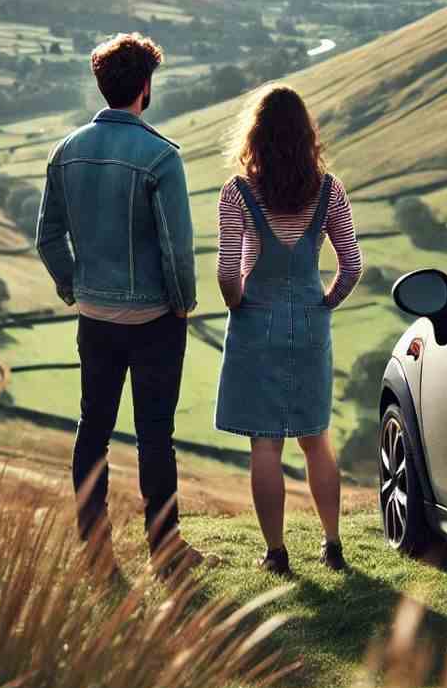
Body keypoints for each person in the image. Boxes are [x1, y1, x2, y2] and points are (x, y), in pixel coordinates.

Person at [36, 32, 202, 580]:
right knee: (155, 433)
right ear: (146, 87)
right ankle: (165, 551)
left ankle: (95, 548)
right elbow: (178, 249)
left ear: (103, 85)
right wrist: (183, 306)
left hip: (95, 320)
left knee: (93, 428)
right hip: (155, 319)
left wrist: (73, 286)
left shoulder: (66, 151)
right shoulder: (161, 156)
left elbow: (48, 238)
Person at [215, 85, 363, 574]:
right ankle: (333, 543)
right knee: (316, 438)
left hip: (257, 321)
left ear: (256, 136)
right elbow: (352, 266)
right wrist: (324, 303)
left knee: (266, 443)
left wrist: (240, 304)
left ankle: (276, 554)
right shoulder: (330, 189)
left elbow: (226, 273)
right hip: (309, 320)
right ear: (307, 136)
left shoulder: (237, 192)